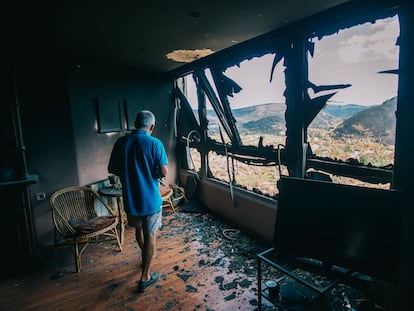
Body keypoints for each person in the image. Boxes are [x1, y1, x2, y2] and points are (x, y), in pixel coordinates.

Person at [108, 110, 168, 292]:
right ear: (152, 127)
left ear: (135, 123)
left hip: (131, 199)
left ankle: (146, 257)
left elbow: (112, 168)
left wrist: (129, 174)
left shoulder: (121, 142)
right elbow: (164, 172)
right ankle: (146, 276)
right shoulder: (155, 143)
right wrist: (153, 174)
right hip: (150, 199)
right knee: (151, 236)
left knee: (138, 230)